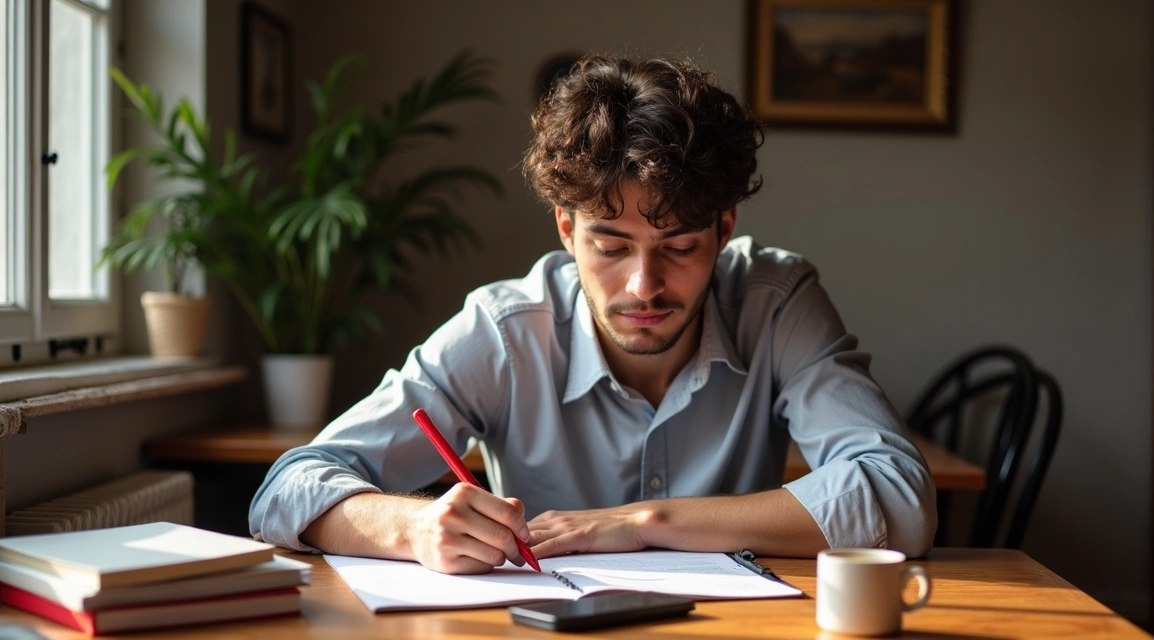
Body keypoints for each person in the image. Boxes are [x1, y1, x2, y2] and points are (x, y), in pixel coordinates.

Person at [250, 55, 936, 574]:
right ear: (564, 230)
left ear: (724, 229)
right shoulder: (505, 329)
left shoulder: (776, 301)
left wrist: (643, 522)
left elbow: (898, 497)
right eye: (610, 245)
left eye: (680, 246)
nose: (644, 284)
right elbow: (287, 490)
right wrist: (415, 528)